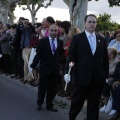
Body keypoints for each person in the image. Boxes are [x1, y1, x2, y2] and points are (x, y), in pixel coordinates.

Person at [64, 14, 109, 120]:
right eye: (90, 22)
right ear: (85, 23)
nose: (92, 24)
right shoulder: (77, 38)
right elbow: (71, 58)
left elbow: (105, 60)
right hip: (81, 77)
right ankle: (72, 117)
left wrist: (105, 76)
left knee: (94, 105)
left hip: (97, 78)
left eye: (94, 22)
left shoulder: (101, 40)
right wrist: (67, 72)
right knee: (77, 102)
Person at [30, 24, 64, 112]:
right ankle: (39, 103)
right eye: (51, 30)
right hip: (45, 69)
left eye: (55, 31)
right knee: (42, 87)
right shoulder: (42, 41)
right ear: (49, 31)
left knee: (53, 89)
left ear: (57, 32)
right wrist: (33, 65)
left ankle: (49, 105)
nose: (53, 32)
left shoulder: (60, 42)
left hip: (55, 70)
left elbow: (61, 55)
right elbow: (38, 55)